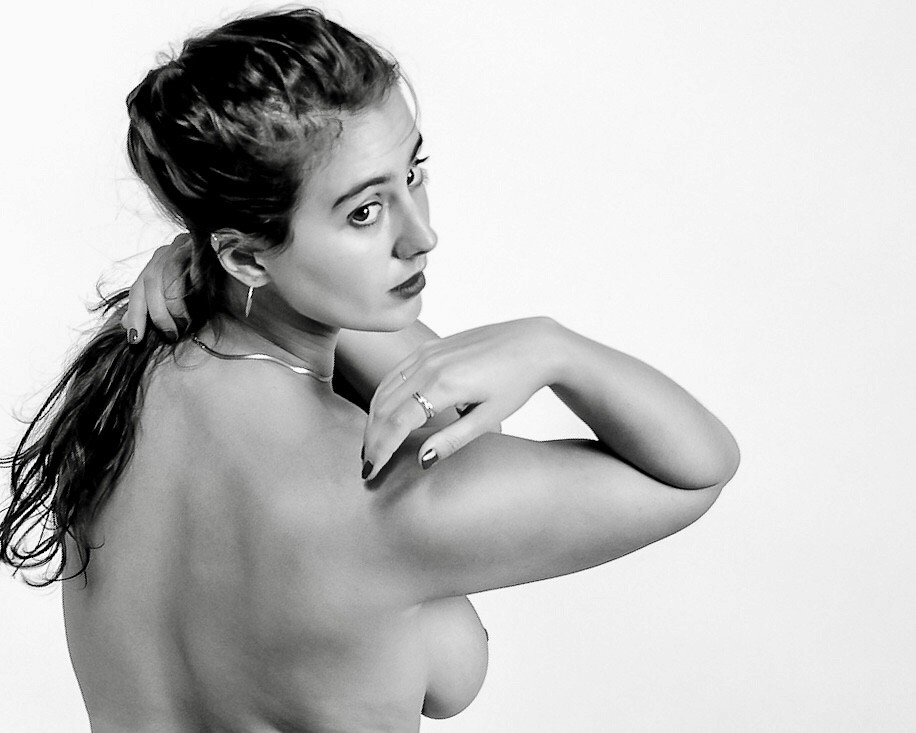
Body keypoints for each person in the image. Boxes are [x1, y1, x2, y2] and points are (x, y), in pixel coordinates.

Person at [0, 8, 739, 731]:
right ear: (247, 255)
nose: (421, 234)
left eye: (412, 173)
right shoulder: (380, 492)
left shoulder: (120, 378)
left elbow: (435, 396)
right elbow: (693, 472)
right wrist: (553, 349)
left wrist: (213, 269)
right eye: (364, 212)